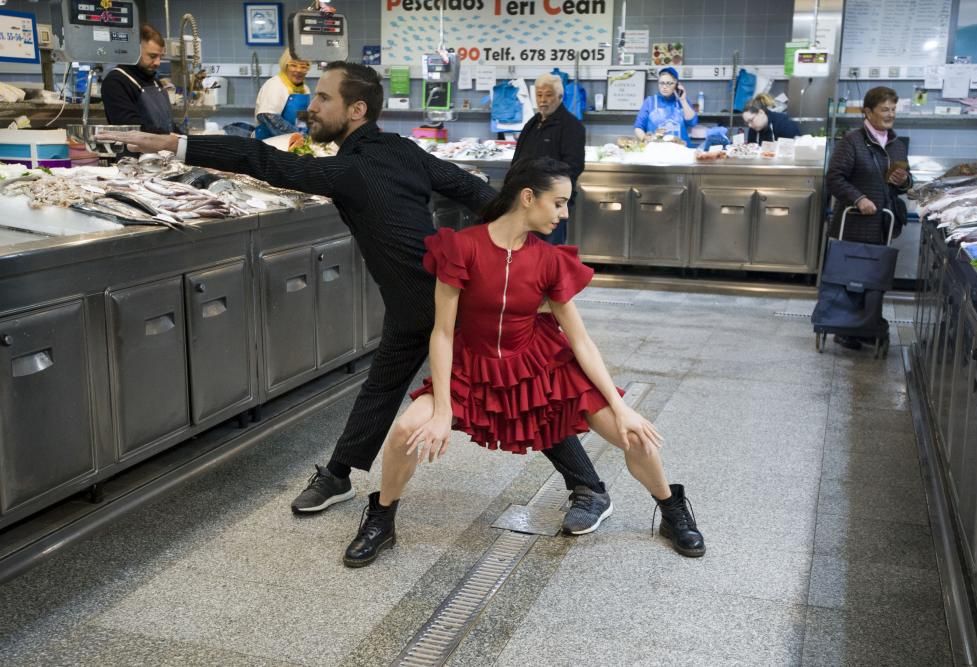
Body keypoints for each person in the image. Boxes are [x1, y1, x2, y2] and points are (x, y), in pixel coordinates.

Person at [98, 62, 612, 536]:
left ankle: (589, 487)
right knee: (381, 388)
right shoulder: (396, 151)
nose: (311, 107)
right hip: (413, 303)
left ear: (356, 110)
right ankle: (340, 475)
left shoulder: (352, 170)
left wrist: (175, 143)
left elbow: (264, 160)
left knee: (517, 395)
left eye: (322, 98)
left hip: (452, 305)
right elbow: (477, 193)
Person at [342, 158, 706, 567]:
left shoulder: (549, 259)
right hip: (473, 368)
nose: (564, 213)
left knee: (635, 435)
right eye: (559, 203)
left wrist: (622, 407)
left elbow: (580, 339)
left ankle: (672, 511)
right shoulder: (463, 247)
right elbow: (442, 333)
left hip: (539, 365)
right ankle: (381, 518)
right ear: (528, 197)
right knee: (407, 430)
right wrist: (442, 410)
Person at [826, 86, 911, 351]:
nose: (890, 115)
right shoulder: (852, 141)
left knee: (874, 279)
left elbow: (903, 184)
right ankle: (845, 328)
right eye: (884, 109)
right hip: (852, 224)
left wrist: (905, 181)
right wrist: (859, 199)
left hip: (883, 225)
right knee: (851, 277)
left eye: (893, 110)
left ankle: (866, 325)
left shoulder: (896, 145)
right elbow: (834, 178)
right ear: (868, 112)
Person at [511, 73, 585, 245]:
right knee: (525, 250)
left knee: (549, 251)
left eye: (548, 94)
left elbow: (573, 167)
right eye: (539, 94)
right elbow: (517, 160)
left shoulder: (572, 126)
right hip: (527, 202)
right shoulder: (531, 124)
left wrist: (544, 187)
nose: (543, 100)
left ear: (559, 96)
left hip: (552, 203)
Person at [100, 24, 174, 134]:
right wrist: (171, 139)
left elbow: (169, 125)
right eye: (152, 56)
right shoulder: (115, 82)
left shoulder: (154, 81)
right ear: (134, 50)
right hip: (137, 151)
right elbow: (131, 129)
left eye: (160, 57)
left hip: (164, 150)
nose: (158, 63)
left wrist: (186, 141)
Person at [254, 49, 312, 140]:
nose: (299, 70)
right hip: (269, 142)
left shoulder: (305, 89)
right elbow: (268, 117)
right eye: (293, 65)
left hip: (294, 143)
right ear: (285, 66)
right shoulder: (274, 85)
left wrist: (306, 135)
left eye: (303, 67)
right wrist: (297, 137)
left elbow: (302, 119)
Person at [633, 67, 697, 147]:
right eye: (661, 83)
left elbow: (692, 122)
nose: (664, 86)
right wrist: (646, 139)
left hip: (680, 152)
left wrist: (683, 100)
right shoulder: (650, 102)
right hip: (655, 151)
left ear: (676, 85)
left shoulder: (682, 101)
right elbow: (638, 127)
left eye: (669, 83)